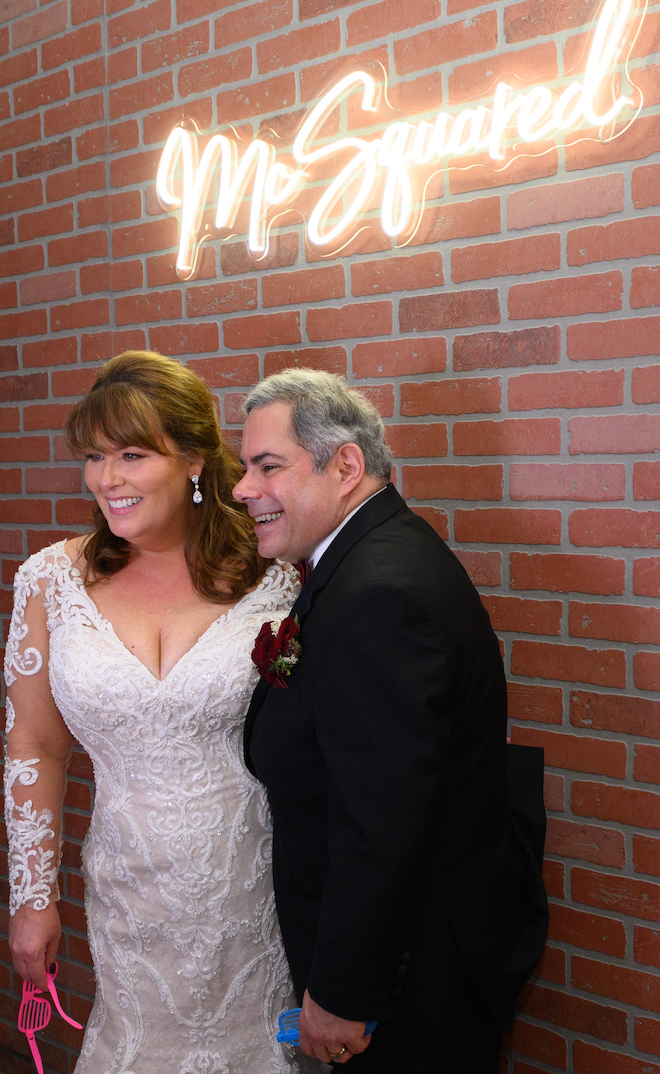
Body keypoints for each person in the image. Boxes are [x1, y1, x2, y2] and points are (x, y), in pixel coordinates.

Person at [4, 351, 319, 1074]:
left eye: (132, 454)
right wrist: (32, 897)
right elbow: (34, 747)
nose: (106, 478)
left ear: (195, 460)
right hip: (127, 890)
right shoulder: (52, 580)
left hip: (254, 884)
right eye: (93, 457)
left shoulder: (273, 577)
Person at [233, 369, 549, 1074]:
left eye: (267, 466)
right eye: (243, 469)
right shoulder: (362, 560)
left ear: (345, 465)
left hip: (410, 980)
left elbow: (381, 825)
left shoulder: (378, 594)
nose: (242, 488)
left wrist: (344, 993)